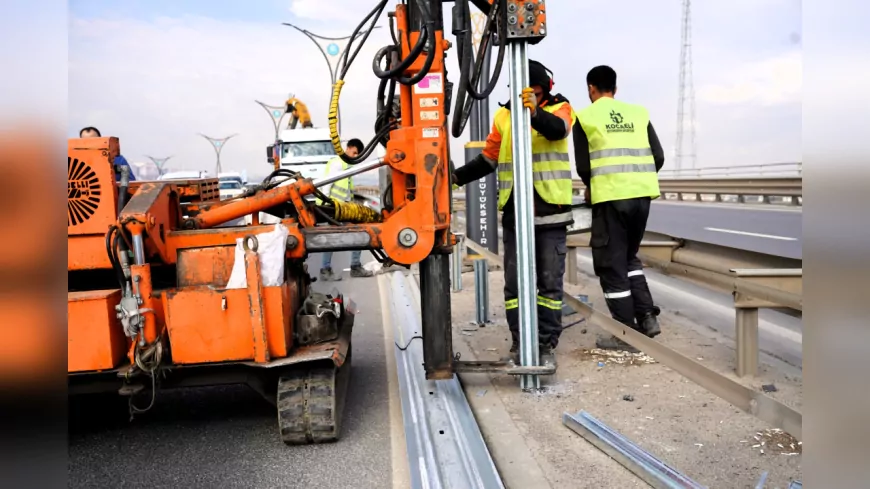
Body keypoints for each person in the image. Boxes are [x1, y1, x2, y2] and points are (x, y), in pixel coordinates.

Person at [452, 60, 574, 366]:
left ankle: (545, 343)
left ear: (545, 89)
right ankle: (520, 341)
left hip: (550, 211)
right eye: (525, 93)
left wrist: (535, 113)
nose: (530, 97)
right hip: (515, 215)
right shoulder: (503, 116)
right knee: (515, 285)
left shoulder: (560, 108)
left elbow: (558, 130)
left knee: (549, 284)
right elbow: (488, 159)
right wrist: (454, 178)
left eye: (536, 93)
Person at [572, 65, 665, 352]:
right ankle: (647, 317)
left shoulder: (585, 117)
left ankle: (626, 335)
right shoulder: (638, 113)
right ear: (615, 88)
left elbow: (584, 166)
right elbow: (658, 156)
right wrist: (636, 180)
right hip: (642, 196)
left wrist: (595, 185)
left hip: (611, 197)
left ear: (591, 88)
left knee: (611, 265)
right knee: (628, 257)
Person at [317, 138, 374, 281]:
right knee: (332, 238)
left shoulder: (347, 166)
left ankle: (355, 266)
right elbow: (327, 184)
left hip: (343, 208)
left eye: (357, 155)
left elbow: (347, 192)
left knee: (358, 232)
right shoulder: (337, 163)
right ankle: (326, 269)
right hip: (333, 208)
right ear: (348, 148)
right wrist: (327, 205)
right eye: (354, 153)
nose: (355, 156)